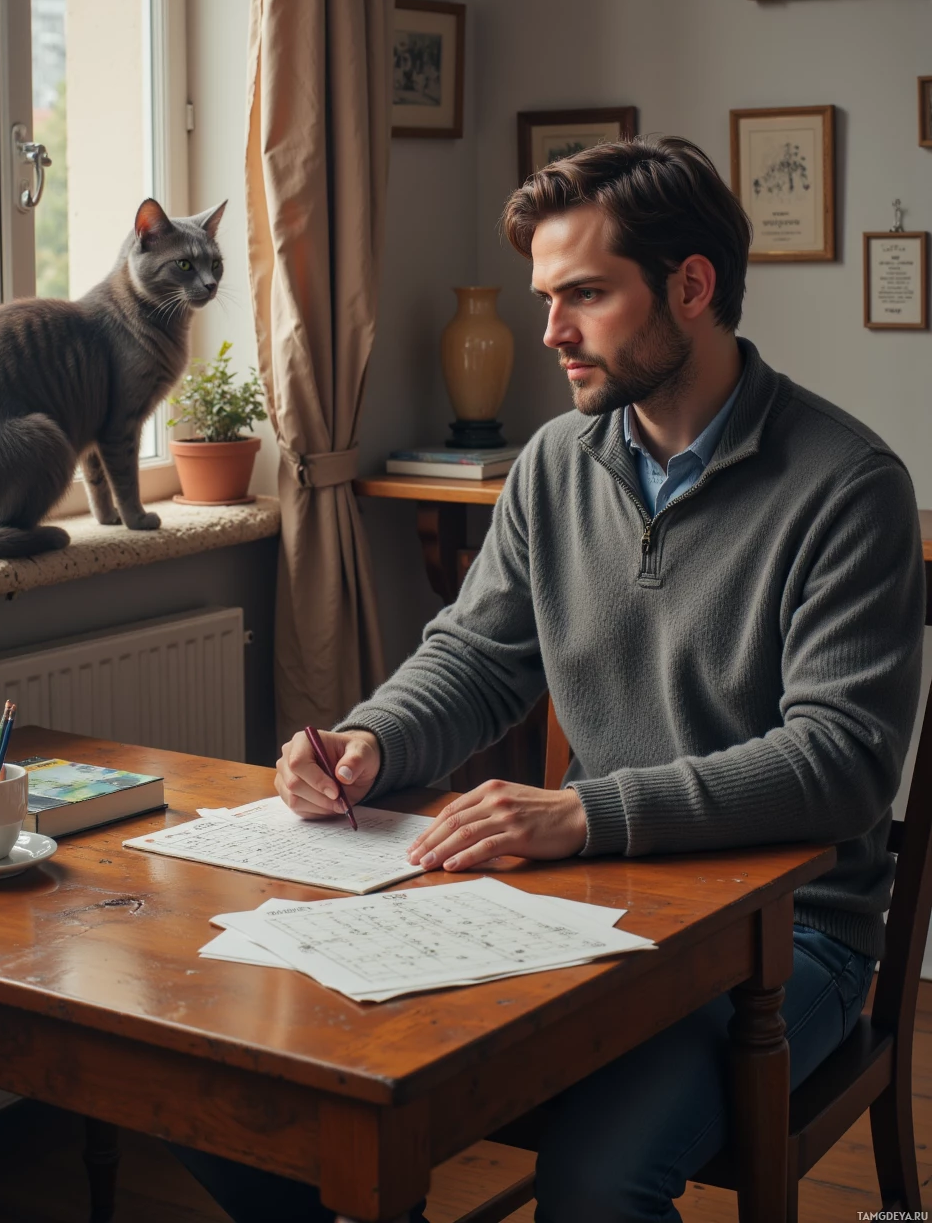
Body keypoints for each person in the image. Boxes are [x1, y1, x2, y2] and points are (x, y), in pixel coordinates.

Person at [181, 137, 926, 1222]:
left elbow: (842, 762)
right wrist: (372, 742)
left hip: (790, 933)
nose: (551, 332)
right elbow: (476, 656)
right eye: (545, 295)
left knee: (595, 1181)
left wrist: (584, 814)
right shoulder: (551, 464)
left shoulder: (847, 485)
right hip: (578, 906)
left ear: (691, 287)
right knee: (238, 1093)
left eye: (584, 294)